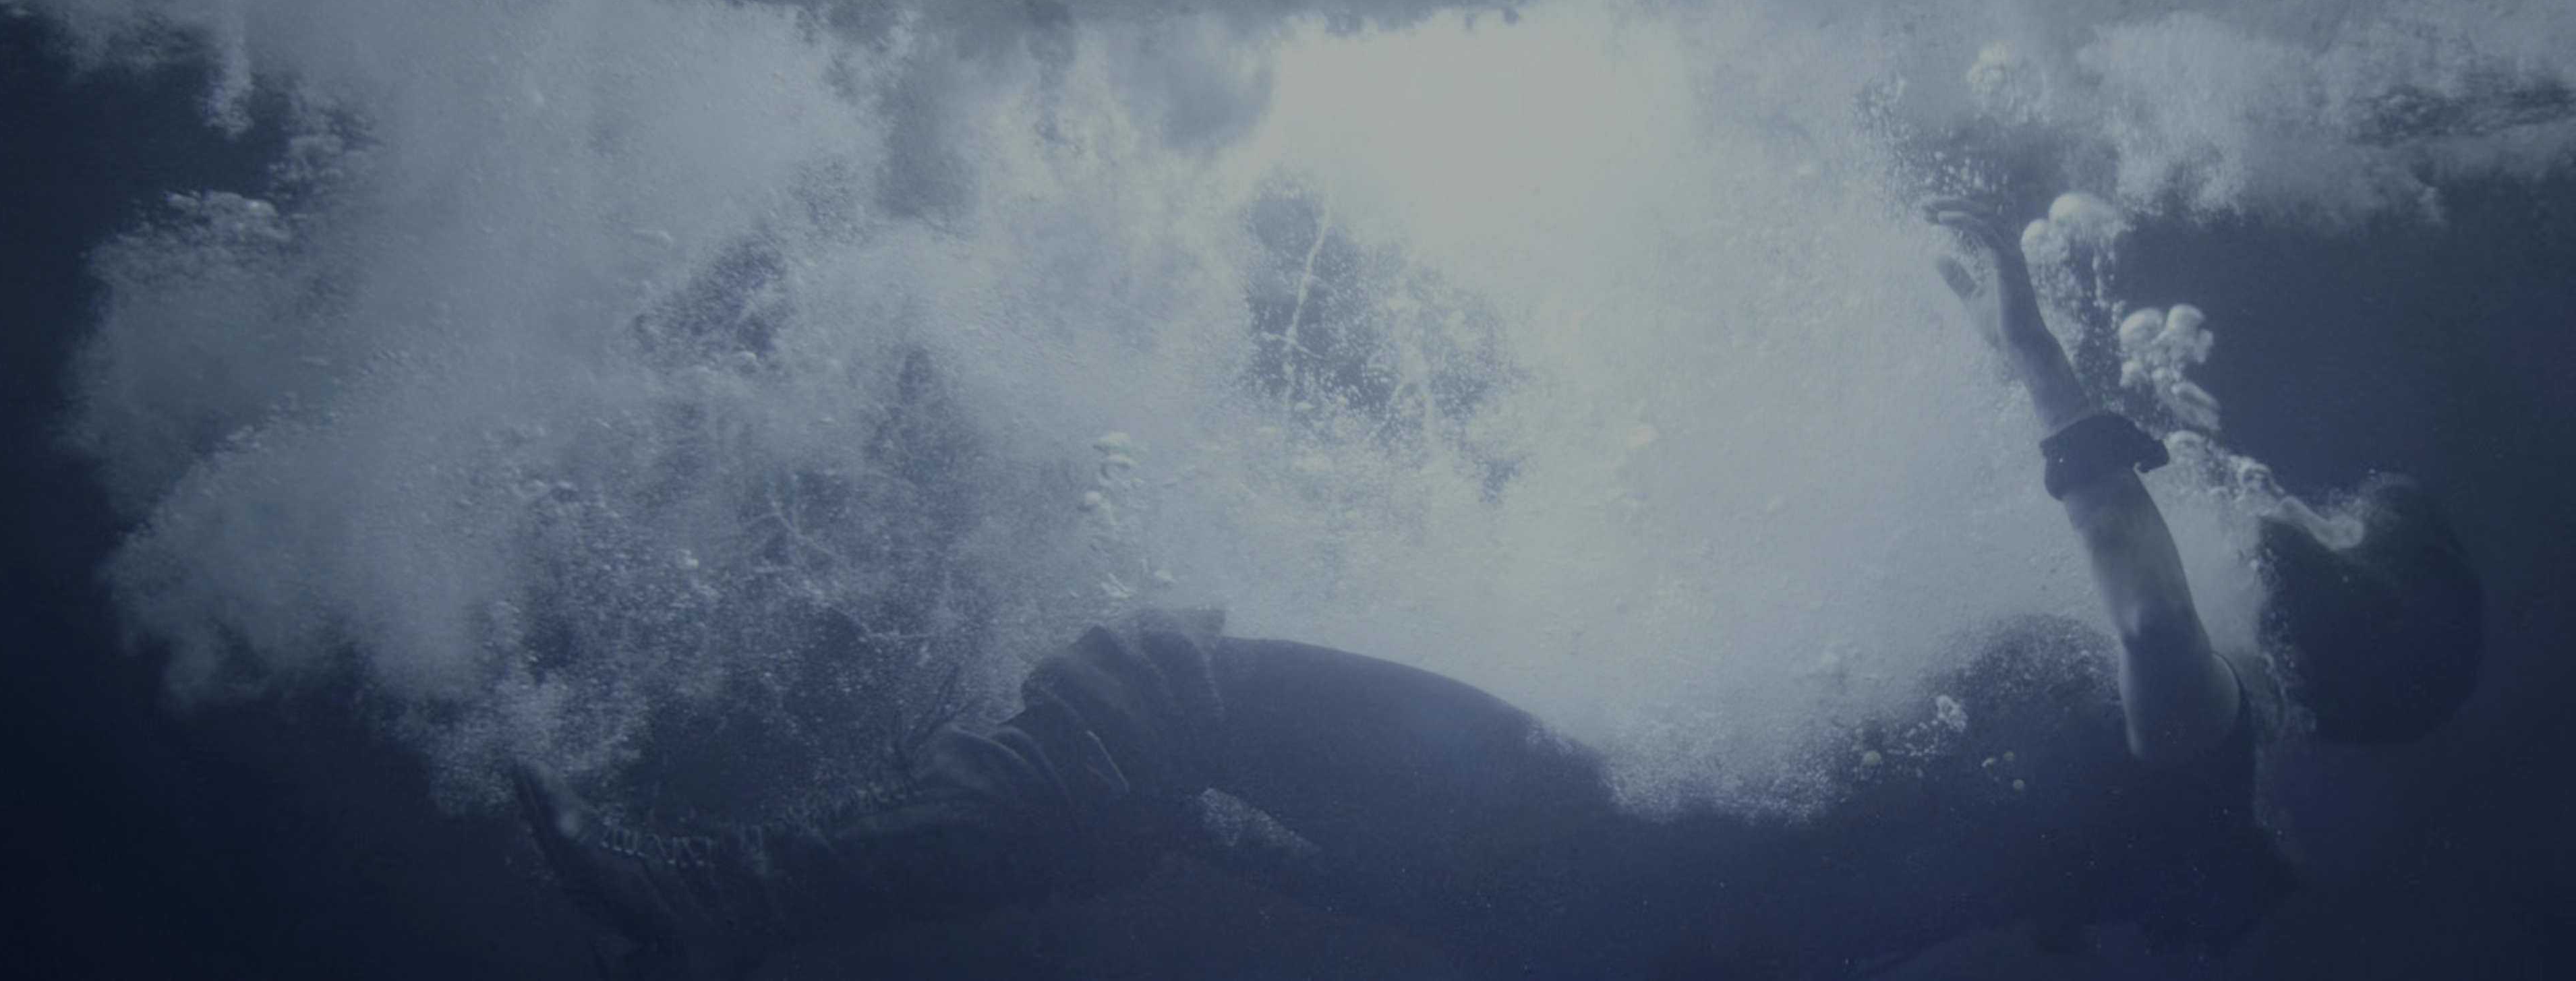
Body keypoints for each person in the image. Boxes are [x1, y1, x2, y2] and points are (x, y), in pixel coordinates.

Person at [513, 200, 2482, 979]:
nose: (2282, 505)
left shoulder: (2200, 738)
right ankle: (754, 901)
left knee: (1156, 681)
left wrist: (2040, 362)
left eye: (2329, 515)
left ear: (2349, 598)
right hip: (1616, 910)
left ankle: (722, 905)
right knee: (1161, 767)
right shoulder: (2198, 815)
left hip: (1614, 860)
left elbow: (2142, 609)